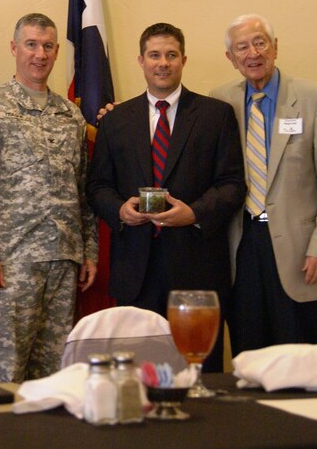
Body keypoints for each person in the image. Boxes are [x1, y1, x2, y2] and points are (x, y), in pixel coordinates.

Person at [87, 22, 245, 371]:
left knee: (199, 373)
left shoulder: (215, 116)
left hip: (197, 269)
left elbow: (233, 184)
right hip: (136, 271)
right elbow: (97, 187)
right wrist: (120, 211)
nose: (163, 63)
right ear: (140, 61)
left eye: (171, 55)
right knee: (139, 374)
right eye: (155, 55)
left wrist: (195, 213)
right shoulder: (116, 121)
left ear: (183, 60)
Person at [0, 13, 98, 383]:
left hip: (63, 260)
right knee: (3, 374)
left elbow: (80, 188)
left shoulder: (70, 115)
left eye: (48, 46)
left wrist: (89, 250)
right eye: (31, 44)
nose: (40, 54)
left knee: (52, 377)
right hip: (10, 263)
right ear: (14, 48)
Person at [210, 14, 317, 356]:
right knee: (249, 356)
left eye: (260, 43)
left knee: (302, 359)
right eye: (242, 47)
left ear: (275, 47)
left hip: (302, 253)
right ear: (231, 58)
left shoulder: (314, 99)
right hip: (241, 247)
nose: (253, 53)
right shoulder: (219, 101)